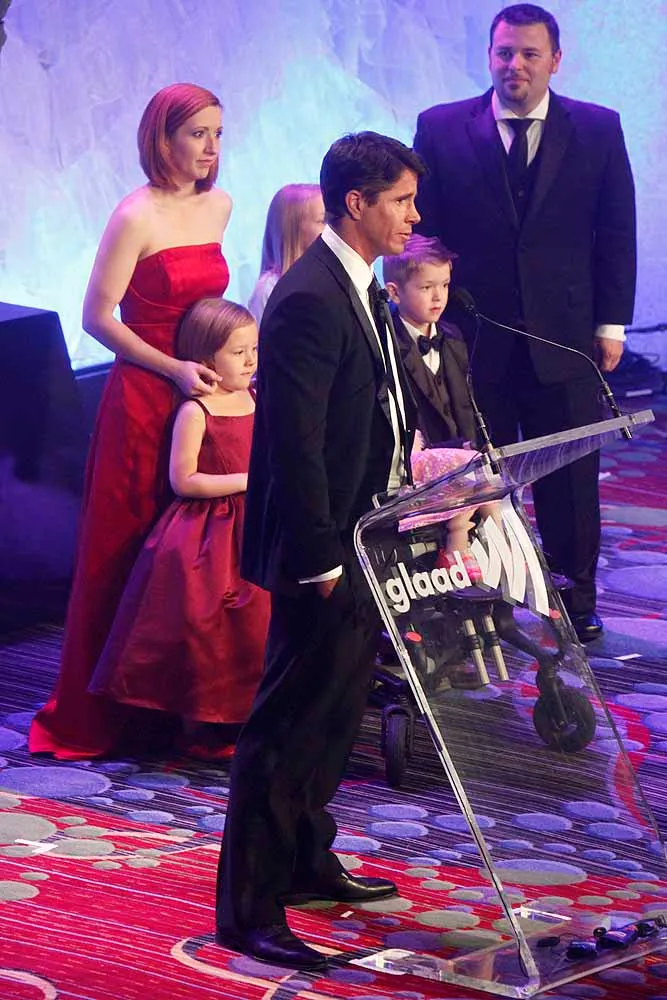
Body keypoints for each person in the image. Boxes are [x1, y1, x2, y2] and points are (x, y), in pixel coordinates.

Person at [215, 131, 424, 971]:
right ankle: (248, 910)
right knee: (286, 728)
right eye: (401, 200)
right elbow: (295, 445)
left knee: (335, 717)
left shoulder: (361, 284)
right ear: (356, 203)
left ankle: (305, 861)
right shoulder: (307, 297)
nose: (413, 215)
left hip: (365, 534)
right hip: (325, 552)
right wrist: (321, 560)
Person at [413, 3, 637, 643]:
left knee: (570, 476)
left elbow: (616, 231)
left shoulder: (597, 128)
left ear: (555, 61)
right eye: (504, 52)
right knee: (471, 474)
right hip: (468, 338)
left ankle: (575, 598)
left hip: (565, 338)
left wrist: (612, 323)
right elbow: (421, 231)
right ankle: (476, 597)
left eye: (529, 54)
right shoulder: (440, 127)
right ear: (490, 56)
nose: (515, 64)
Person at [29, 83, 233, 759]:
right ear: (161, 139)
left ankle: (180, 710)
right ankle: (104, 712)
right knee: (127, 544)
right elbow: (97, 316)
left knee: (192, 554)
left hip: (200, 391)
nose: (210, 148)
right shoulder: (134, 214)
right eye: (197, 134)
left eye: (217, 134)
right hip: (145, 396)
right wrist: (172, 369)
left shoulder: (221, 206)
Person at [88, 299, 268, 760]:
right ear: (206, 359)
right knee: (207, 625)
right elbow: (183, 479)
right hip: (208, 533)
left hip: (256, 525)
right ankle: (202, 724)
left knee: (256, 624)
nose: (250, 360)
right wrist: (249, 480)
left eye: (254, 349)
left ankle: (248, 716)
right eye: (238, 353)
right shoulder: (196, 411)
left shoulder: (254, 397)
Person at [248, 183, 325, 323]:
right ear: (294, 229)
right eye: (323, 221)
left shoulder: (326, 278)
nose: (332, 229)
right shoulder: (270, 289)